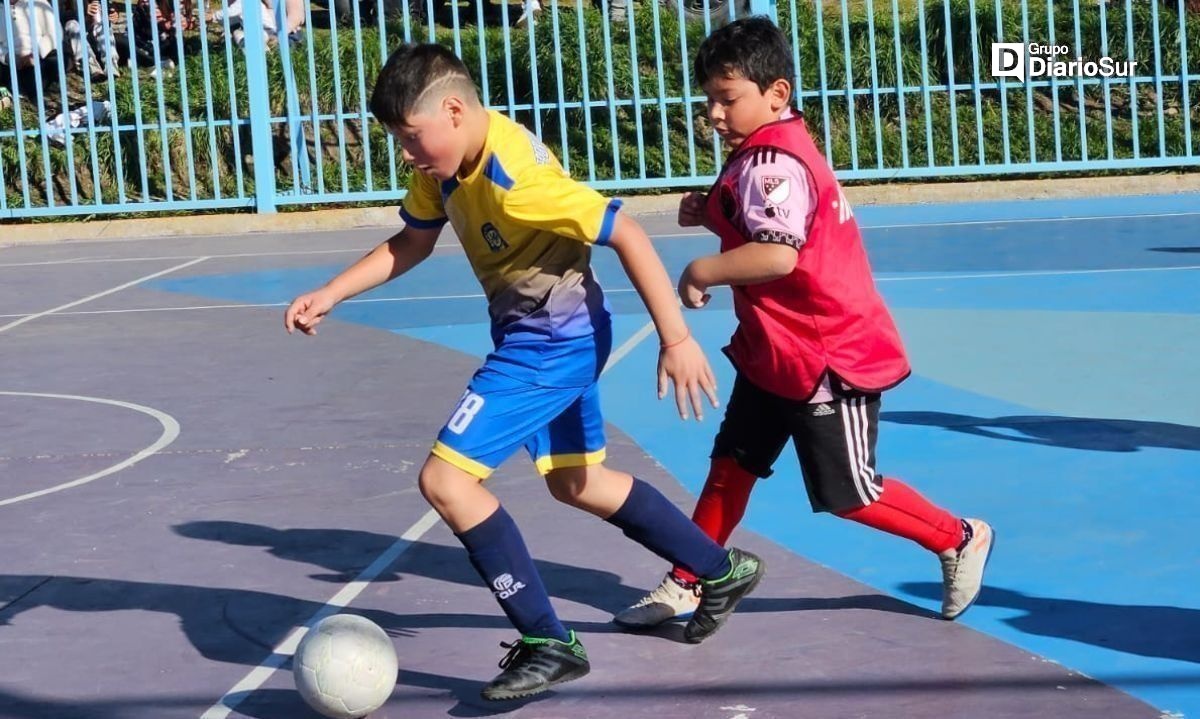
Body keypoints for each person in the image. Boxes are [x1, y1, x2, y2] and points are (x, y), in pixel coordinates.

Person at [283, 42, 765, 701]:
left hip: (550, 343)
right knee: (578, 481)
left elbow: (626, 231)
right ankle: (719, 567)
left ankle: (547, 640)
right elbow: (413, 240)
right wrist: (334, 291)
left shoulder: (517, 179)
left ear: (452, 110)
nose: (406, 153)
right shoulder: (445, 163)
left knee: (445, 479)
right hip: (544, 333)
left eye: (410, 136)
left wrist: (676, 337)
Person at [613, 17, 994, 630]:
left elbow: (778, 252)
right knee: (729, 468)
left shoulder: (773, 164)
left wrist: (702, 270)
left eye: (727, 98)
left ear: (777, 93)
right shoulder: (763, 152)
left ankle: (959, 536)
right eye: (708, 97)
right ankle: (690, 578)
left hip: (825, 357)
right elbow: (755, 215)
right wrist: (708, 209)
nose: (713, 112)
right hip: (776, 349)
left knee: (850, 494)